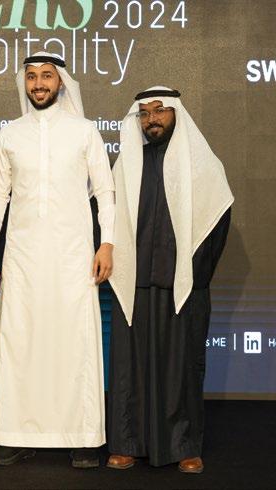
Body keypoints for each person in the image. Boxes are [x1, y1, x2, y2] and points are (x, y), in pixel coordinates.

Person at [0, 52, 115, 468]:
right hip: (21, 257)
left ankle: (82, 437)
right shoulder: (10, 134)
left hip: (73, 256)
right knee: (21, 342)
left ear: (61, 83)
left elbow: (105, 191)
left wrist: (107, 243)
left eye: (47, 76)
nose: (38, 84)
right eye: (32, 77)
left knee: (74, 342)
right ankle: (14, 433)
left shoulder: (85, 131)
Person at [107, 87, 233, 474]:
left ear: (177, 113)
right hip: (134, 283)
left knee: (182, 368)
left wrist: (196, 276)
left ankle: (185, 446)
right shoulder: (128, 164)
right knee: (131, 368)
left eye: (160, 111)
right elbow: (109, 219)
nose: (152, 119)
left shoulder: (203, 165)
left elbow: (217, 221)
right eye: (145, 113)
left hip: (183, 284)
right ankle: (127, 442)